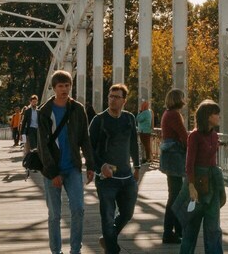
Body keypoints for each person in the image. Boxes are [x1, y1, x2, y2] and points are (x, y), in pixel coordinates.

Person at [37, 70, 95, 254]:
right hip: (52, 170)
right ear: (54, 88)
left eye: (67, 85)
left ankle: (75, 250)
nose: (64, 89)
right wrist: (53, 172)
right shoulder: (44, 112)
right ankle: (56, 251)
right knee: (54, 215)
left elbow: (84, 138)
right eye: (60, 86)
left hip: (72, 168)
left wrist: (91, 165)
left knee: (78, 209)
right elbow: (42, 146)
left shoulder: (77, 109)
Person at [88, 84, 141, 254]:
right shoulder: (99, 120)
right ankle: (112, 249)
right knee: (108, 217)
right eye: (111, 96)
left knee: (127, 213)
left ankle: (108, 239)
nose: (112, 100)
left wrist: (137, 165)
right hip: (106, 179)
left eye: (117, 97)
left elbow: (134, 143)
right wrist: (100, 166)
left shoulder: (129, 118)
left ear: (124, 101)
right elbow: (89, 149)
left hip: (126, 176)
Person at [179, 100, 225, 254]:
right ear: (207, 116)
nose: (219, 116)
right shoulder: (194, 136)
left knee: (213, 227)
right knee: (191, 229)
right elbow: (189, 163)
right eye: (216, 113)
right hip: (198, 181)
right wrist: (191, 185)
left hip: (213, 180)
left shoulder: (214, 135)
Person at [157, 89, 189, 244]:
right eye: (183, 97)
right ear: (178, 99)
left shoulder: (167, 114)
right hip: (175, 155)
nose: (185, 99)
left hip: (169, 155)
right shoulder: (174, 115)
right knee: (175, 195)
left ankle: (177, 230)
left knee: (175, 194)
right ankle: (169, 231)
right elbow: (184, 136)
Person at [135, 98, 155, 164]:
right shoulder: (149, 111)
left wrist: (140, 112)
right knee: (146, 145)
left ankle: (148, 159)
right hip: (147, 131)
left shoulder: (145, 112)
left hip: (144, 131)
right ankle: (146, 159)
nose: (141, 106)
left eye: (142, 105)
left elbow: (138, 119)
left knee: (145, 145)